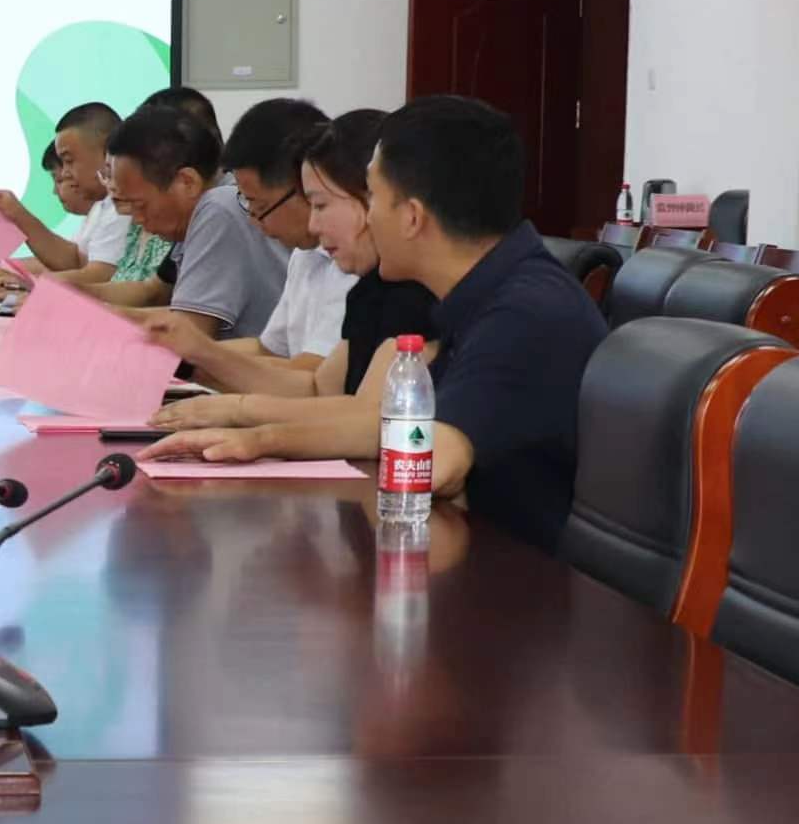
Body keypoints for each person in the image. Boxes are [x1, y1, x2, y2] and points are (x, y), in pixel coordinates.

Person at [141, 96, 606, 549]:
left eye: (374, 197)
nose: (367, 217)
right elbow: (383, 423)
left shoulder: (524, 313)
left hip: (514, 577)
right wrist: (255, 436)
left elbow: (433, 458)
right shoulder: (487, 291)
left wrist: (257, 433)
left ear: (412, 217)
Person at [141, 110, 440, 426]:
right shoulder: (371, 290)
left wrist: (240, 413)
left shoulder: (420, 298)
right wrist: (194, 358)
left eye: (320, 205)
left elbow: (367, 421)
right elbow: (317, 389)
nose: (313, 224)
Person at [142, 97, 338, 385]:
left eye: (260, 206)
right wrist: (178, 352)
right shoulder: (304, 255)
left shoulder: (348, 266)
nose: (255, 222)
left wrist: (196, 358)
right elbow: (267, 349)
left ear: (305, 187)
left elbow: (309, 376)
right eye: (247, 203)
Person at [94, 105, 284, 336]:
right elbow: (156, 292)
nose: (137, 219)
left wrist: (97, 316)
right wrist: (74, 295)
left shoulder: (218, 209)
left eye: (140, 205)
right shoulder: (197, 210)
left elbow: (189, 331)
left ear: (186, 182)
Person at [0, 100, 131, 292]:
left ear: (107, 151)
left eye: (69, 161)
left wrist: (24, 283)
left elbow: (100, 276)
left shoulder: (122, 207)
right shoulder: (104, 205)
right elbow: (73, 260)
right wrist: (16, 214)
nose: (65, 173)